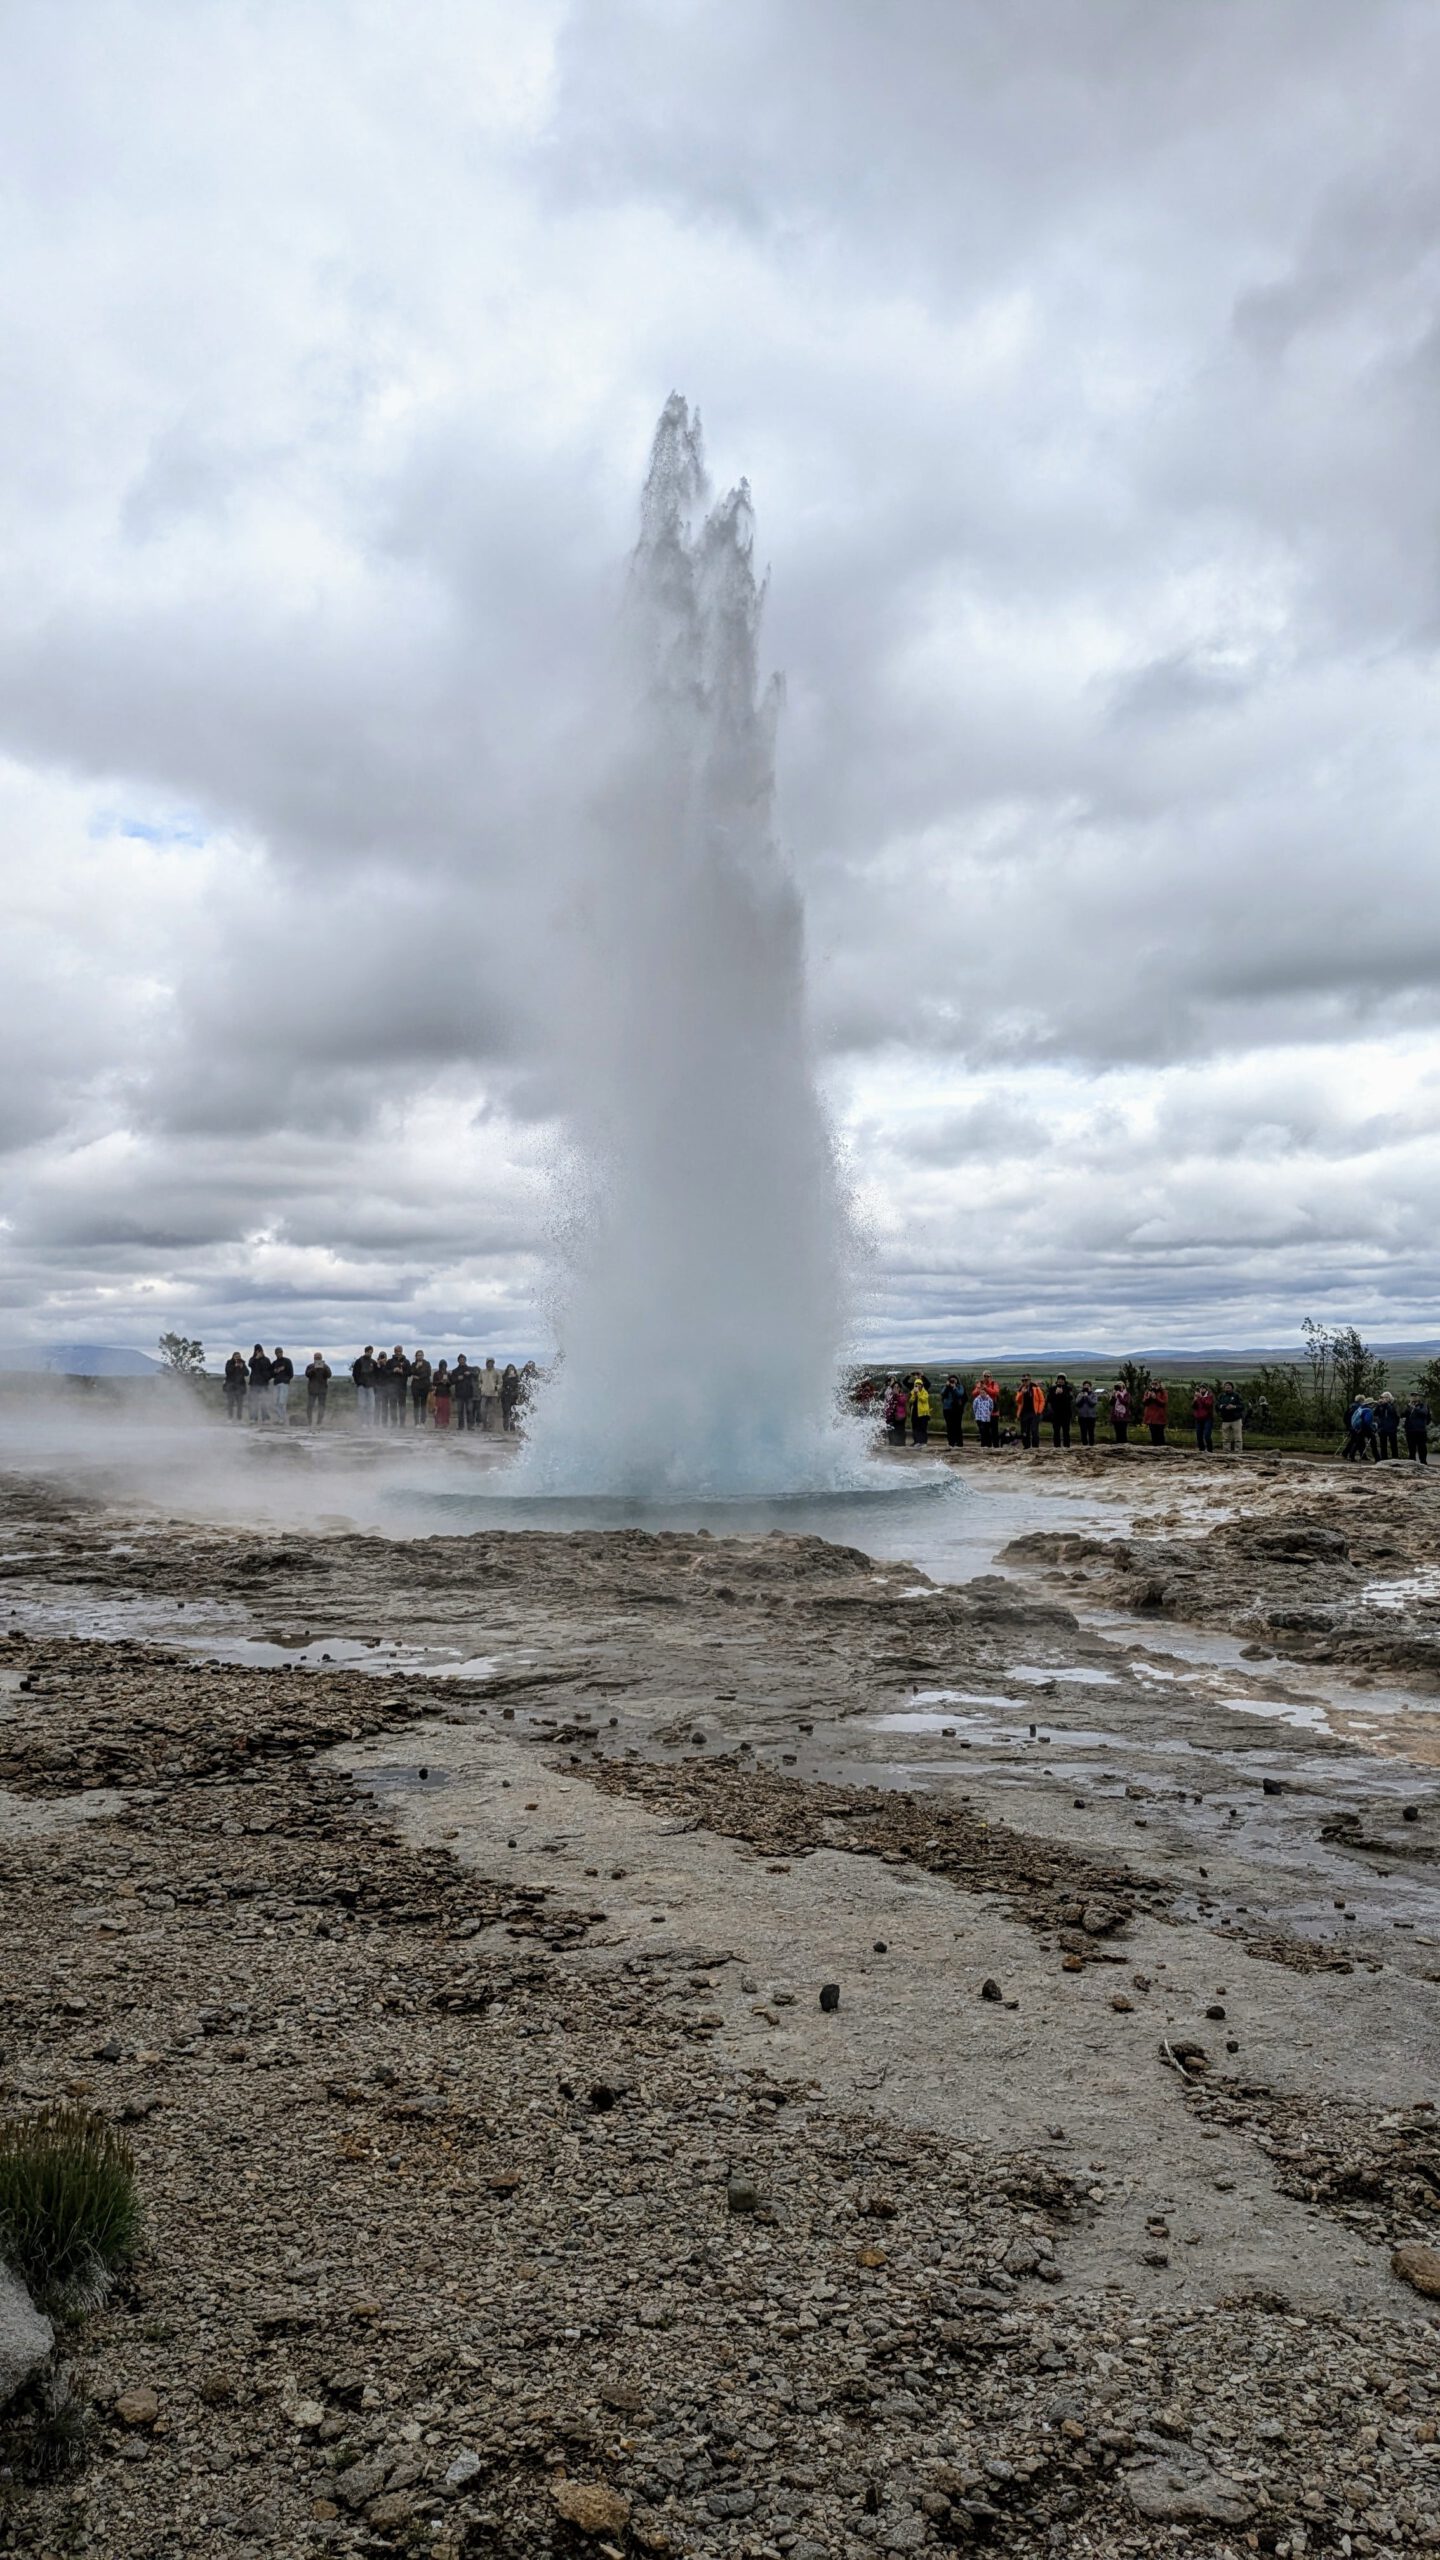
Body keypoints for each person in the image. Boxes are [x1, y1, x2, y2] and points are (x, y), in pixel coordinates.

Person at [1015, 1374, 1044, 1451]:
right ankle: (1026, 1447)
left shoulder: (1036, 1388)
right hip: (1024, 1413)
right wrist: (1022, 1393)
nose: (1025, 1382)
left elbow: (1042, 1400)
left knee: (1034, 1430)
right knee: (1024, 1431)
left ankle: (1035, 1447)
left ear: (1030, 1380)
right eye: (1023, 1380)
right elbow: (1017, 1400)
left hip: (1034, 1412)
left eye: (1026, 1380)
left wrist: (1039, 1411)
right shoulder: (1020, 1388)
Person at [351, 1344, 377, 1430]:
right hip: (361, 1386)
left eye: (371, 1352)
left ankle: (371, 1423)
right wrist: (358, 1383)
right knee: (362, 1405)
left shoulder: (373, 1362)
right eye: (369, 1352)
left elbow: (376, 1374)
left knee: (371, 1405)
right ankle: (363, 1423)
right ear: (365, 1351)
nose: (370, 1354)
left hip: (370, 1386)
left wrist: (374, 1383)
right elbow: (355, 1373)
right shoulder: (359, 1361)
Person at [1344, 1397, 1377, 1462]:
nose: (1374, 1405)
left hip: (1357, 1427)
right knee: (1373, 1441)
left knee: (1357, 1442)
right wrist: (1373, 1427)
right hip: (1364, 1428)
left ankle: (1351, 1455)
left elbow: (1346, 1417)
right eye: (1373, 1404)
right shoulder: (1368, 1410)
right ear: (1370, 1404)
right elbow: (1367, 1421)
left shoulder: (1359, 1408)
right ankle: (1377, 1458)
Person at [248, 1342, 273, 1425]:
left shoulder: (266, 1360)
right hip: (254, 1384)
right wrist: (256, 1358)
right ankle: (253, 1418)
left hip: (263, 1384)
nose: (258, 1352)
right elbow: (250, 1365)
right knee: (254, 1402)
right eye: (256, 1351)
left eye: (259, 1351)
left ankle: (265, 1418)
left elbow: (270, 1370)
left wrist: (267, 1378)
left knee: (264, 1402)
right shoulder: (252, 1359)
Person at [1404, 1389, 1430, 1466]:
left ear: (1419, 1397)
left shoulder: (1423, 1405)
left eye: (1415, 1395)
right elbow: (1403, 1414)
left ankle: (1423, 1462)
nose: (1414, 1397)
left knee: (1422, 1447)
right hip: (1410, 1430)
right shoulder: (1408, 1406)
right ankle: (1412, 1462)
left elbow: (1424, 1413)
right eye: (1412, 1396)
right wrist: (1408, 1408)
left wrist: (1414, 1408)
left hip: (1420, 1430)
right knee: (1411, 1447)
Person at [270, 1346, 294, 1429]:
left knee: (281, 1402)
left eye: (280, 1352)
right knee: (275, 1403)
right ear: (275, 1354)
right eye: (277, 1353)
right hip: (276, 1384)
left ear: (282, 1352)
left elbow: (291, 1373)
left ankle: (282, 1420)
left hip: (284, 1384)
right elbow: (270, 1373)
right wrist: (275, 1372)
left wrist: (286, 1380)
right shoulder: (274, 1363)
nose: (279, 1354)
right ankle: (281, 1418)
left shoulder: (287, 1361)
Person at [386, 1347, 410, 1427]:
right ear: (394, 1351)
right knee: (393, 1405)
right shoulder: (389, 1361)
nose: (398, 1352)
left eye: (400, 1351)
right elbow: (386, 1372)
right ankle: (394, 1422)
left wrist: (402, 1372)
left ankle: (402, 1423)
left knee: (402, 1405)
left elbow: (409, 1373)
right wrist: (393, 1370)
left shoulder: (406, 1362)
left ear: (402, 1351)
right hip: (392, 1387)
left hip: (402, 1386)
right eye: (397, 1351)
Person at [305, 1353, 331, 1427]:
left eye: (319, 1358)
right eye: (316, 1358)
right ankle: (310, 1421)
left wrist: (324, 1369)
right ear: (314, 1358)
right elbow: (307, 1375)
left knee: (321, 1406)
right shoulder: (310, 1366)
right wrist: (313, 1370)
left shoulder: (325, 1366)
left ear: (321, 1358)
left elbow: (329, 1375)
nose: (317, 1359)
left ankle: (319, 1422)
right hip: (312, 1390)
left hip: (322, 1390)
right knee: (310, 1406)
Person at [478, 1355, 503, 1433]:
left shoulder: (497, 1372)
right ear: (486, 1363)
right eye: (488, 1362)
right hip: (484, 1393)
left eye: (491, 1362)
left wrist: (497, 1387)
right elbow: (479, 1381)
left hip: (493, 1394)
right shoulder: (482, 1372)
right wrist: (481, 1387)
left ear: (493, 1363)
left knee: (492, 1411)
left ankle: (491, 1427)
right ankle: (484, 1426)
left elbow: (500, 1382)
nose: (490, 1364)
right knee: (482, 1410)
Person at [1049, 1373, 1074, 1450]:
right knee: (1056, 1431)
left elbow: (1070, 1398)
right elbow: (1049, 1399)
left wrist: (1062, 1393)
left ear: (1064, 1380)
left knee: (1066, 1431)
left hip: (1066, 1414)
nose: (1060, 1381)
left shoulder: (1069, 1388)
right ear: (1057, 1380)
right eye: (1059, 1379)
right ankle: (1057, 1447)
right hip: (1056, 1413)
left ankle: (1066, 1446)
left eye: (1062, 1379)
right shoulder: (1052, 1388)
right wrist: (1055, 1394)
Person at [1218, 1382, 1245, 1454]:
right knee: (1225, 1437)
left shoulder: (1236, 1395)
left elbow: (1242, 1406)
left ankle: (1238, 1451)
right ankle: (1226, 1451)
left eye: (1229, 1385)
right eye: (1226, 1386)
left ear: (1232, 1387)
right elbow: (1217, 1406)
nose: (1227, 1387)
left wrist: (1234, 1407)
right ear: (1224, 1388)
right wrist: (1224, 1407)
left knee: (1238, 1437)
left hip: (1236, 1420)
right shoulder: (1221, 1396)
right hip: (1225, 1420)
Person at [1374, 1390, 1401, 1461]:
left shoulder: (1393, 1405)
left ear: (1390, 1398)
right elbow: (1375, 1413)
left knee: (1393, 1444)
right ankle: (1384, 1458)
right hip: (1382, 1428)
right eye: (1383, 1397)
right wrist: (1378, 1405)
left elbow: (1393, 1412)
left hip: (1391, 1428)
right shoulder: (1381, 1406)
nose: (1384, 1399)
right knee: (1383, 1444)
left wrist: (1386, 1404)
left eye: (1386, 1397)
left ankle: (1395, 1458)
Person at [452, 1355, 477, 1430]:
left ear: (465, 1360)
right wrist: (457, 1378)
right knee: (460, 1411)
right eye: (460, 1359)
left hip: (469, 1393)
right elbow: (452, 1380)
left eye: (463, 1359)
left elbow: (476, 1374)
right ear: (458, 1361)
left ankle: (470, 1426)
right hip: (459, 1393)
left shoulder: (470, 1369)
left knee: (469, 1410)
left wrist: (470, 1373)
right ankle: (461, 1426)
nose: (462, 1361)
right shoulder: (455, 1371)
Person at [940, 1375, 966, 1447]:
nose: (952, 1381)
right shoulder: (946, 1387)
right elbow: (942, 1393)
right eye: (951, 1380)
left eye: (954, 1380)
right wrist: (946, 1386)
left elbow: (960, 1394)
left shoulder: (960, 1387)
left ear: (957, 1380)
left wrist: (954, 1388)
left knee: (957, 1426)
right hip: (947, 1409)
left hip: (957, 1409)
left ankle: (959, 1443)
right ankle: (951, 1442)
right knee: (949, 1426)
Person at [223, 1352, 248, 1422]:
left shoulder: (242, 1363)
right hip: (230, 1386)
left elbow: (247, 1373)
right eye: (236, 1356)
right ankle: (230, 1418)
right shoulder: (229, 1362)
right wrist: (235, 1366)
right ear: (233, 1357)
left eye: (239, 1356)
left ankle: (239, 1418)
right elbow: (227, 1371)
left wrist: (242, 1367)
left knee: (240, 1404)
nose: (237, 1358)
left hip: (240, 1387)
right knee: (230, 1403)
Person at [1142, 1380, 1169, 1445]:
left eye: (1156, 1384)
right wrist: (1148, 1397)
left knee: (1160, 1436)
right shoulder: (1148, 1391)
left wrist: (1156, 1398)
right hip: (1151, 1418)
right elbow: (1144, 1402)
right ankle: (1155, 1451)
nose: (1154, 1385)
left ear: (1159, 1384)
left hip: (1159, 1418)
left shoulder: (1163, 1392)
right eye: (1152, 1384)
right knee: (1153, 1436)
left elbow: (1164, 1403)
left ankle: (1162, 1451)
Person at [882, 1377, 907, 1445]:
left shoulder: (902, 1395)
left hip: (900, 1417)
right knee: (891, 1430)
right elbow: (887, 1402)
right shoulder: (890, 1396)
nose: (896, 1388)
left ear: (900, 1388)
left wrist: (897, 1395)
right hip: (891, 1416)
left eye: (898, 1387)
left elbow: (903, 1402)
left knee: (900, 1430)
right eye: (895, 1387)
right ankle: (892, 1443)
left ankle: (901, 1443)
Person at [971, 1380, 996, 1448]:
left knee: (987, 1431)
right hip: (979, 1418)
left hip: (987, 1418)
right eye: (981, 1392)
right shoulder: (976, 1399)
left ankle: (988, 1445)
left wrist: (988, 1413)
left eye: (983, 1392)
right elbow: (974, 1407)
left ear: (986, 1392)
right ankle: (983, 1444)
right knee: (982, 1431)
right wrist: (977, 1414)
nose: (982, 1394)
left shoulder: (989, 1399)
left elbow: (991, 1407)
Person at [410, 1351, 432, 1425]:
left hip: (425, 1386)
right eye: (418, 1355)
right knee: (416, 1404)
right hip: (415, 1386)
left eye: (421, 1355)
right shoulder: (413, 1364)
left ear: (423, 1356)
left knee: (423, 1404)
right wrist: (417, 1367)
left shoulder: (427, 1363)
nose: (420, 1356)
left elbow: (428, 1373)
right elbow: (411, 1372)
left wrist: (419, 1377)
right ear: (416, 1356)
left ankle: (423, 1422)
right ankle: (416, 1422)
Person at [1192, 1382, 1215, 1453]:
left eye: (1203, 1388)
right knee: (1199, 1435)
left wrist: (1201, 1398)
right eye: (1200, 1388)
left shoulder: (1210, 1396)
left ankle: (1210, 1450)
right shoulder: (1197, 1396)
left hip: (1207, 1418)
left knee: (1207, 1435)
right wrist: (1194, 1400)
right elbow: (1194, 1407)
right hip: (1198, 1418)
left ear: (1206, 1389)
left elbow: (1208, 1404)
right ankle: (1201, 1449)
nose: (1201, 1389)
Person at [909, 1373, 931, 1445]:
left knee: (923, 1428)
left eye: (919, 1384)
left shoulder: (925, 1392)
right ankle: (917, 1441)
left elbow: (923, 1399)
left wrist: (918, 1393)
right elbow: (911, 1401)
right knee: (916, 1428)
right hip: (915, 1412)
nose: (918, 1386)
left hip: (923, 1413)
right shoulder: (913, 1392)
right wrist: (914, 1395)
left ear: (922, 1385)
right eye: (916, 1384)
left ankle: (923, 1442)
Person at [1076, 1381, 1098, 1447]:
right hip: (1082, 1416)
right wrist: (1083, 1397)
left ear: (1090, 1387)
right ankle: (1084, 1445)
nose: (1086, 1387)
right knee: (1083, 1432)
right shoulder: (1080, 1394)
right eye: (1085, 1385)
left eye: (1088, 1386)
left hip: (1091, 1417)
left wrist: (1087, 1397)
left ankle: (1091, 1445)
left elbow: (1093, 1403)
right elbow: (1077, 1403)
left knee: (1091, 1432)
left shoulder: (1094, 1395)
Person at [432, 1359, 452, 1428]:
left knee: (446, 1409)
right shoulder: (436, 1373)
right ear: (440, 1366)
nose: (443, 1366)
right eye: (442, 1365)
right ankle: (437, 1423)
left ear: (446, 1366)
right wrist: (440, 1381)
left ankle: (445, 1423)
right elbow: (434, 1382)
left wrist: (447, 1382)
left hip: (446, 1393)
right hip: (439, 1393)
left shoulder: (448, 1374)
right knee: (438, 1409)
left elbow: (450, 1384)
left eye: (444, 1365)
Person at [502, 1362, 521, 1431]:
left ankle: (512, 1427)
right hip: (506, 1397)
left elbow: (518, 1386)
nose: (511, 1370)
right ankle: (505, 1427)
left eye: (512, 1369)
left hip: (514, 1397)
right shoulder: (504, 1377)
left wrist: (517, 1395)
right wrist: (508, 1378)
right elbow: (502, 1385)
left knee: (513, 1412)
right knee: (506, 1412)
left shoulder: (516, 1377)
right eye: (509, 1369)